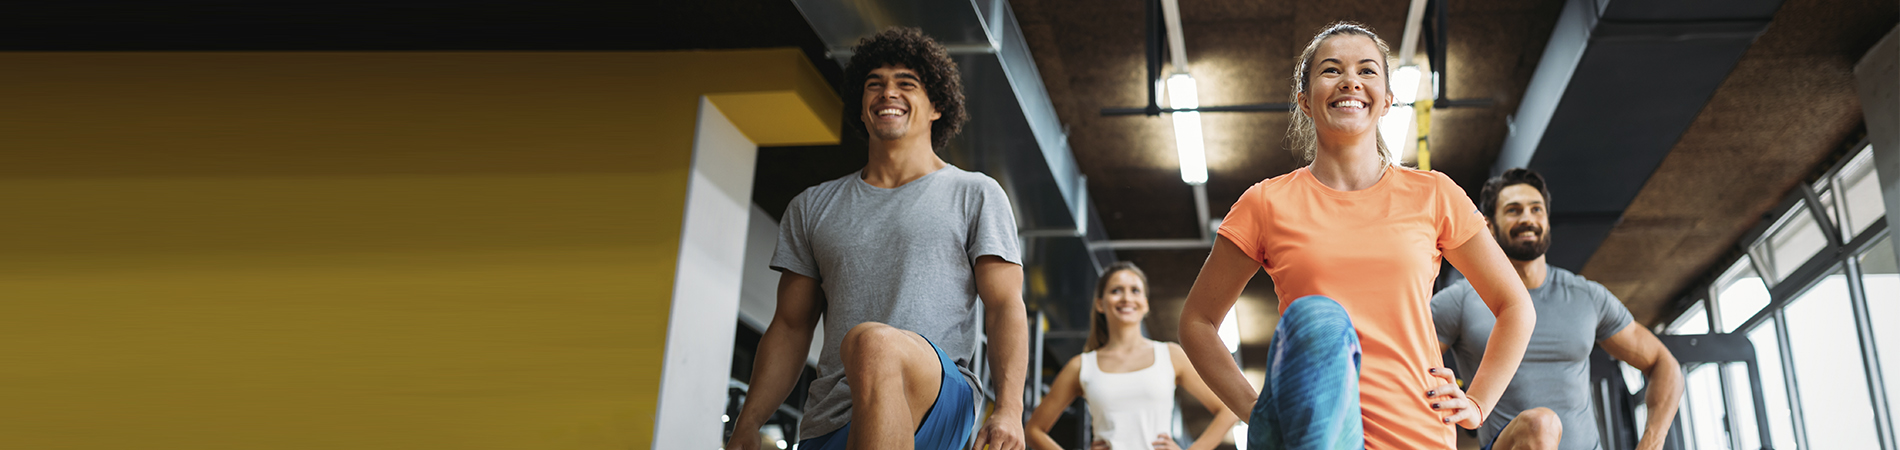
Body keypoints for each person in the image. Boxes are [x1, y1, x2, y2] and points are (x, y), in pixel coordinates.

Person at [1176, 22, 1538, 450]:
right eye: (1331, 70)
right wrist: (1257, 412)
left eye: (1367, 71)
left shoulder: (1434, 193)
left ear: (1386, 100)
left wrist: (1477, 402)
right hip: (1314, 433)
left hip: (1416, 432)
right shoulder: (1265, 203)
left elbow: (1515, 306)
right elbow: (1196, 322)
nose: (1350, 80)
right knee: (1318, 318)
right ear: (1305, 101)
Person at [723, 27, 1028, 450]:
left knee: (874, 343)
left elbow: (1004, 306)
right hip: (830, 415)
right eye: (875, 85)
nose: (888, 93)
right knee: (869, 347)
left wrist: (1010, 411)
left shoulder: (975, 193)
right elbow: (791, 326)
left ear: (937, 105)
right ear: (862, 108)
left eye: (906, 83)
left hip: (937, 396)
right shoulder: (813, 207)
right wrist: (749, 420)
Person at [1432, 168, 1683, 450]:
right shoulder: (1460, 300)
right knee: (1541, 424)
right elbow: (1407, 362)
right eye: (1514, 210)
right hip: (1504, 443)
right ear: (1489, 227)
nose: (1527, 218)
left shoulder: (1586, 296)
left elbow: (1664, 365)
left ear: (1547, 222)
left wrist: (1651, 443)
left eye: (1536, 209)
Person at [1025, 262, 1239, 450]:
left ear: (1145, 304)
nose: (1127, 298)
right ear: (1100, 303)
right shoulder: (1081, 366)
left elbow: (1229, 409)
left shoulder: (1170, 356)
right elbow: (1034, 430)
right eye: (1116, 290)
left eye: (1135, 291)